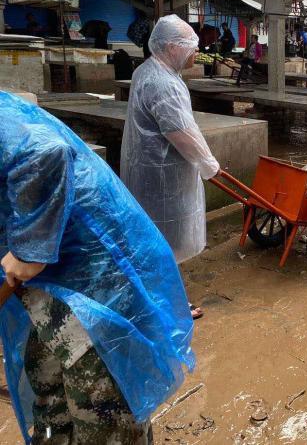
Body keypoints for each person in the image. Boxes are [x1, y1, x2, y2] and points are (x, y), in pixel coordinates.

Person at [0, 90, 194, 443]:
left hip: (94, 284)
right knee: (48, 396)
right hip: (47, 291)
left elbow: (45, 151)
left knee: (103, 408)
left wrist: (29, 248)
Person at [121, 14, 220, 319]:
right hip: (163, 173)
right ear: (172, 48)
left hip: (147, 167)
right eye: (190, 46)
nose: (195, 52)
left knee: (151, 239)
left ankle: (150, 298)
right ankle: (170, 306)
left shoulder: (148, 71)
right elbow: (181, 132)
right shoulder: (164, 83)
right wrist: (209, 164)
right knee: (167, 241)